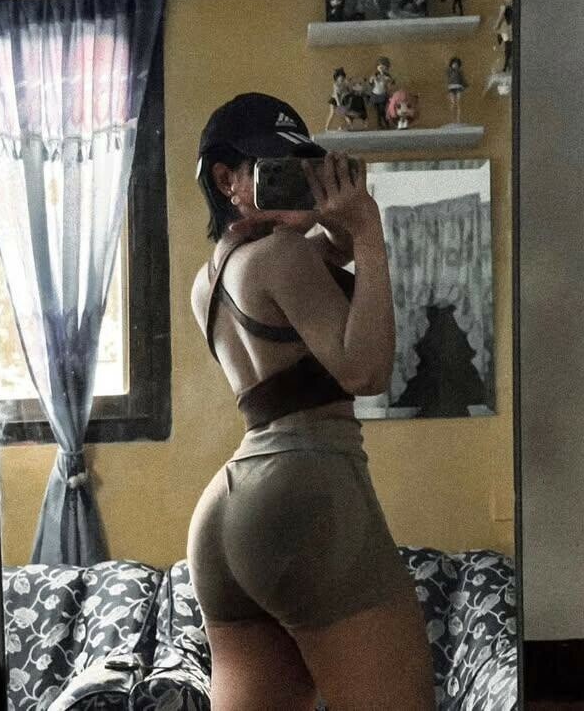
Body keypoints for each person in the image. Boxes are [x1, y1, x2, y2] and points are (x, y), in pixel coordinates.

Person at [186, 92, 434, 709]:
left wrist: (335, 232)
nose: (294, 179)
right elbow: (366, 370)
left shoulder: (210, 279)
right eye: (273, 168)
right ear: (226, 179)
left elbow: (312, 279)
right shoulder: (284, 257)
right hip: (307, 491)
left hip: (224, 520)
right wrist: (368, 230)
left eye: (300, 167)